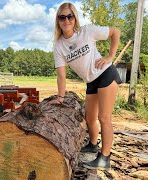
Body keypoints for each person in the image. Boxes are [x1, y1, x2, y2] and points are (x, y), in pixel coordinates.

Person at [52, 2, 121, 170]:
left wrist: (110, 56)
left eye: (70, 16)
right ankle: (92, 145)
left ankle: (105, 158)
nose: (66, 20)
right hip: (91, 82)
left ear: (75, 18)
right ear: (58, 21)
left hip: (105, 75)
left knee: (104, 118)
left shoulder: (87, 32)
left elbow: (115, 32)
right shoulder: (59, 45)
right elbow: (61, 74)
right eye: (62, 17)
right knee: (90, 118)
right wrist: (60, 97)